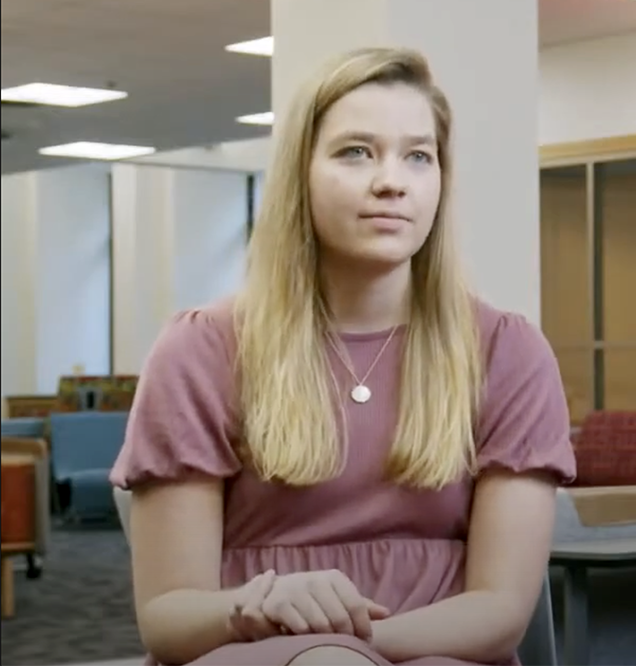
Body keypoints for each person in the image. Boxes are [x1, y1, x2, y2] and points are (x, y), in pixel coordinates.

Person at [110, 46, 576, 666]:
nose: (392, 180)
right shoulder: (203, 349)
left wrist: (356, 647)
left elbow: (497, 613)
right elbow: (167, 619)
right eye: (356, 151)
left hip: (442, 651)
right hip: (251, 649)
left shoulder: (507, 352)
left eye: (419, 156)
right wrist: (261, 612)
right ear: (300, 173)